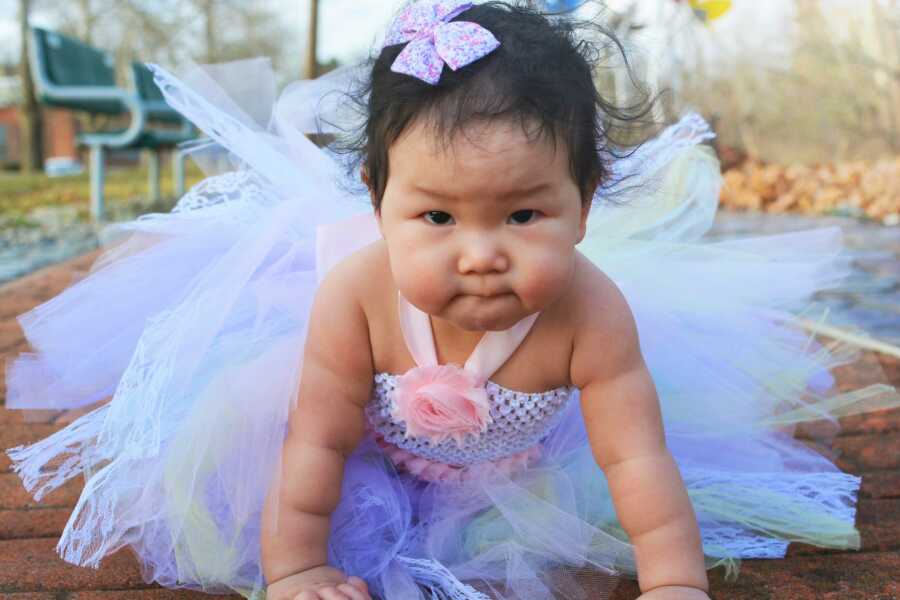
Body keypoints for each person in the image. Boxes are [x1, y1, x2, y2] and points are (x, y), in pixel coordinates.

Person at [5, 2, 898, 599]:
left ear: (583, 206)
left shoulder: (593, 315)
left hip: (524, 470)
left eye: (522, 213)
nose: (479, 255)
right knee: (296, 453)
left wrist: (673, 582)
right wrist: (296, 569)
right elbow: (318, 435)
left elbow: (634, 461)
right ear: (378, 203)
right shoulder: (356, 297)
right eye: (434, 215)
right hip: (371, 458)